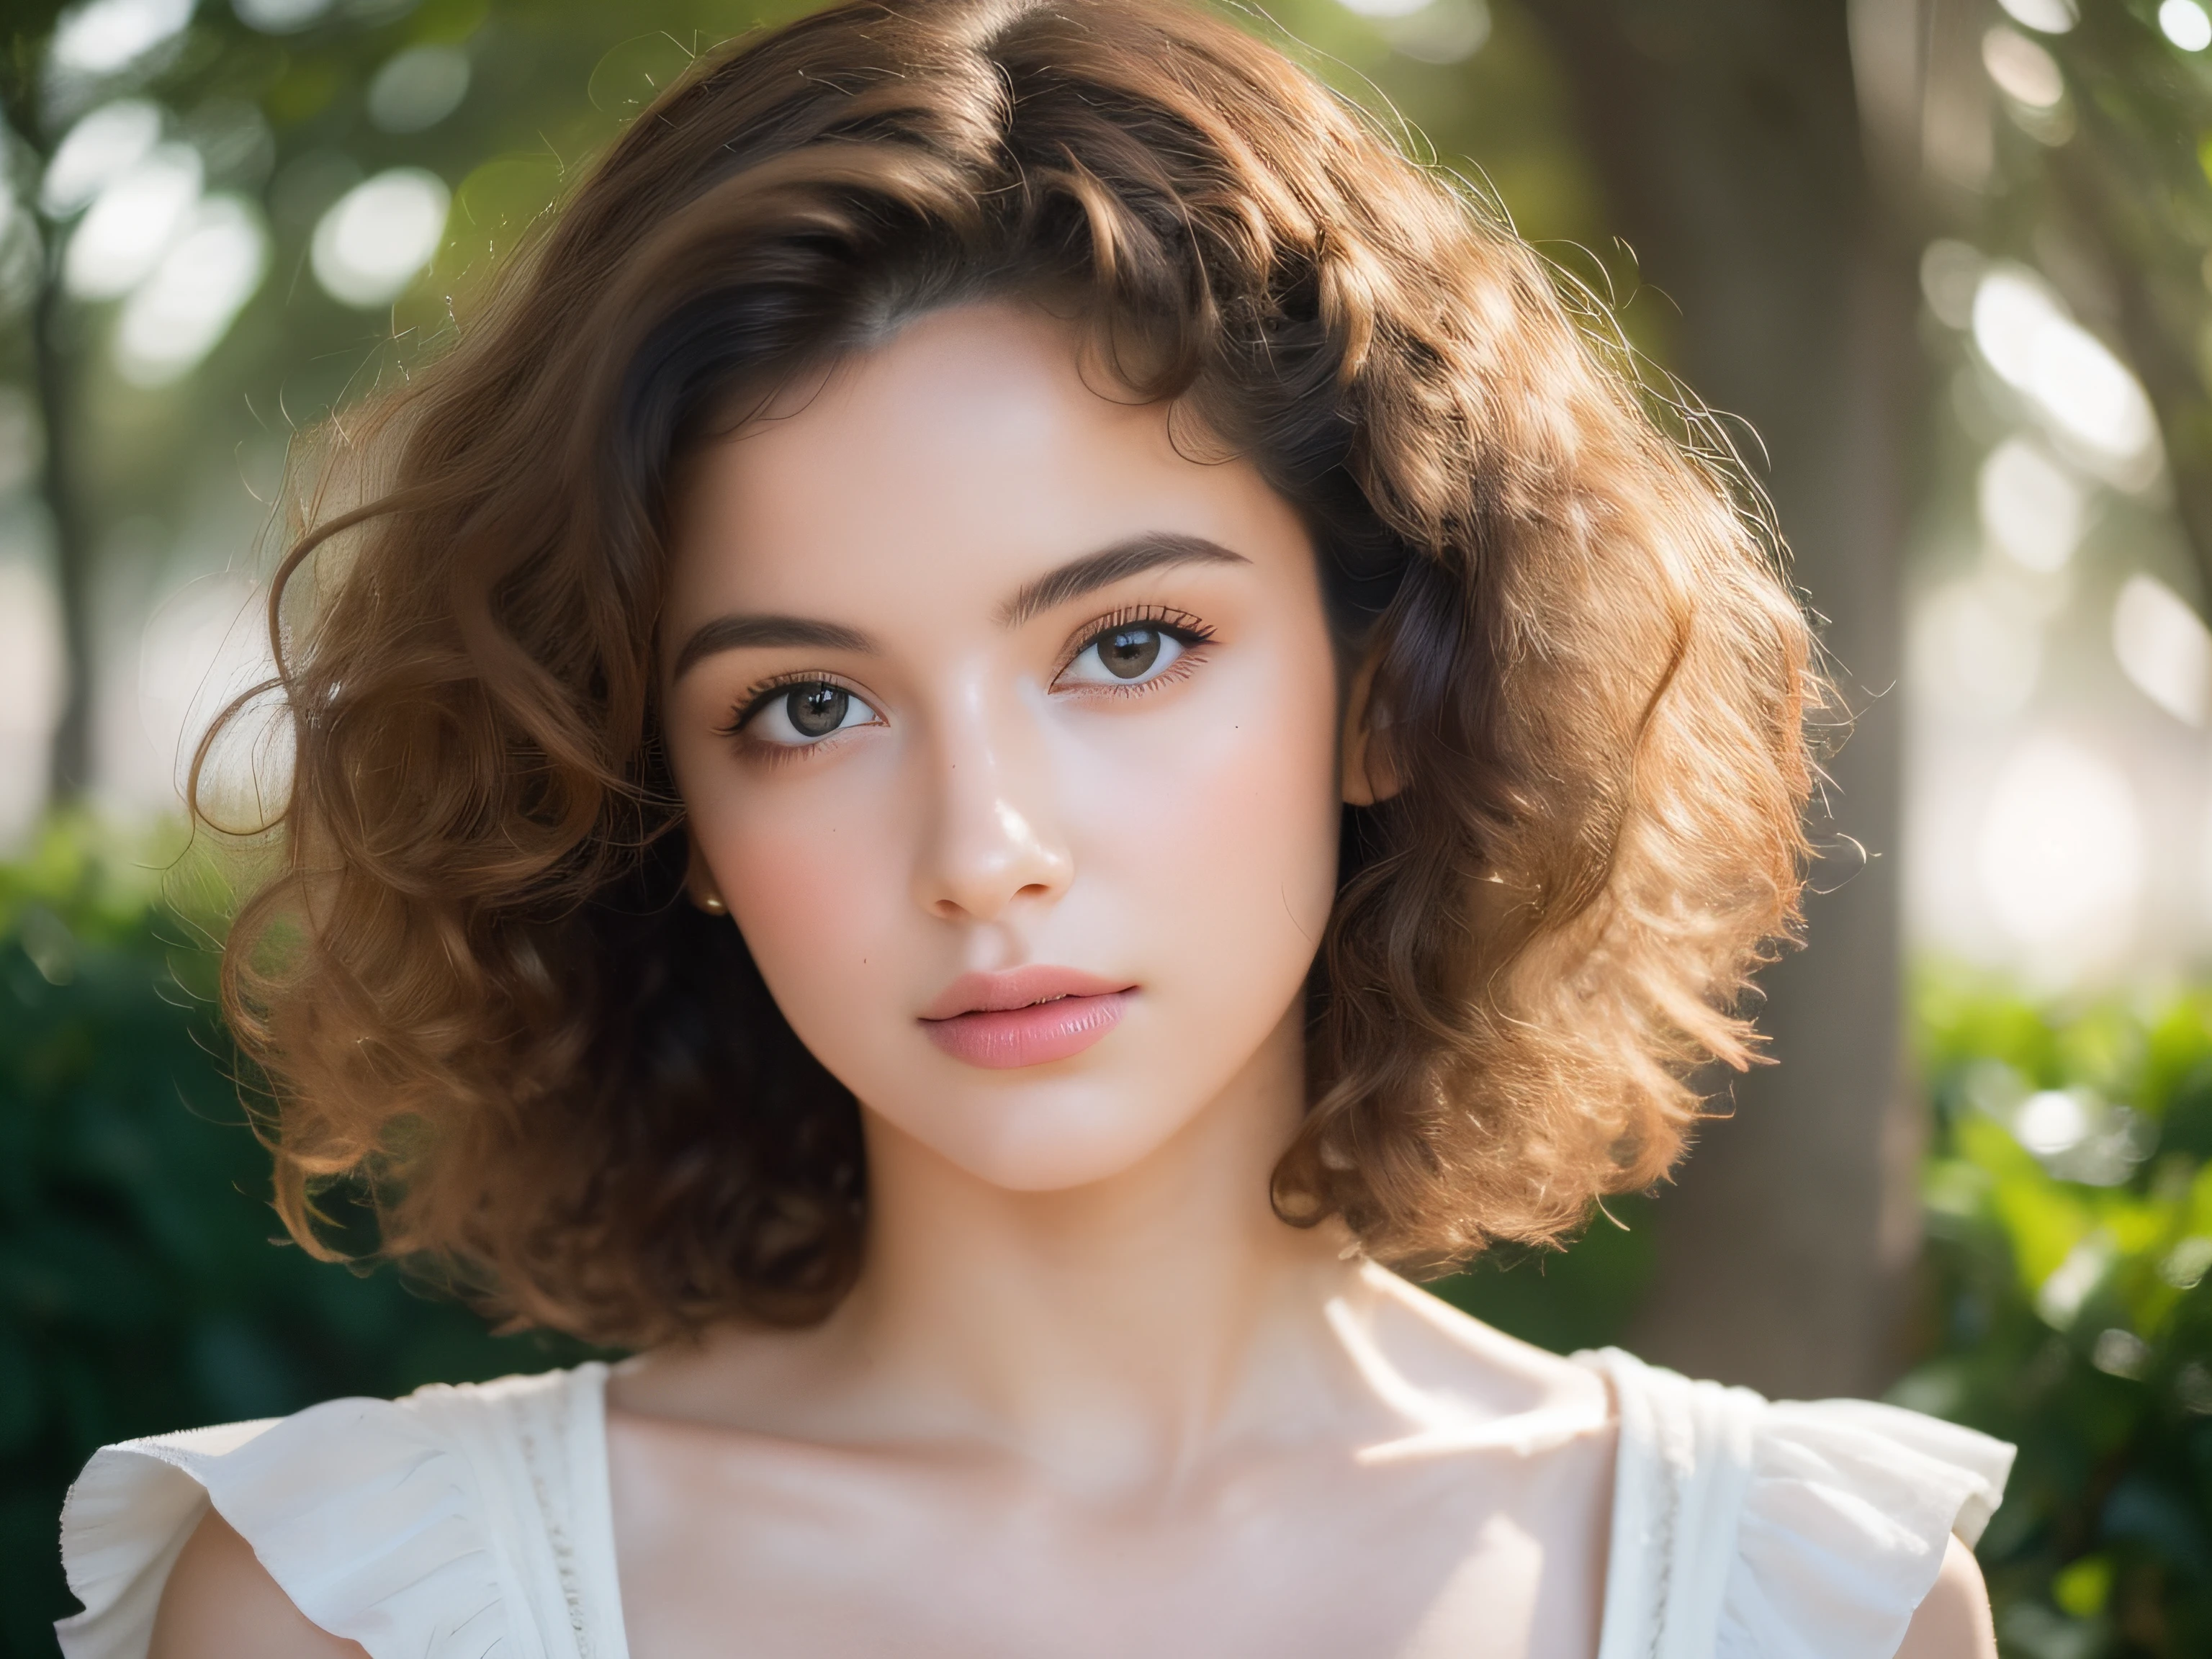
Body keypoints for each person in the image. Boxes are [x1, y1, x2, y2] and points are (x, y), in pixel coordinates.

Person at [55, 1, 2012, 1655]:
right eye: (805, 708)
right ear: (665, 812)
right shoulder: (362, 1610)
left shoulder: (1802, 1601)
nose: (982, 850)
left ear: (1398, 682)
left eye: (1130, 646)